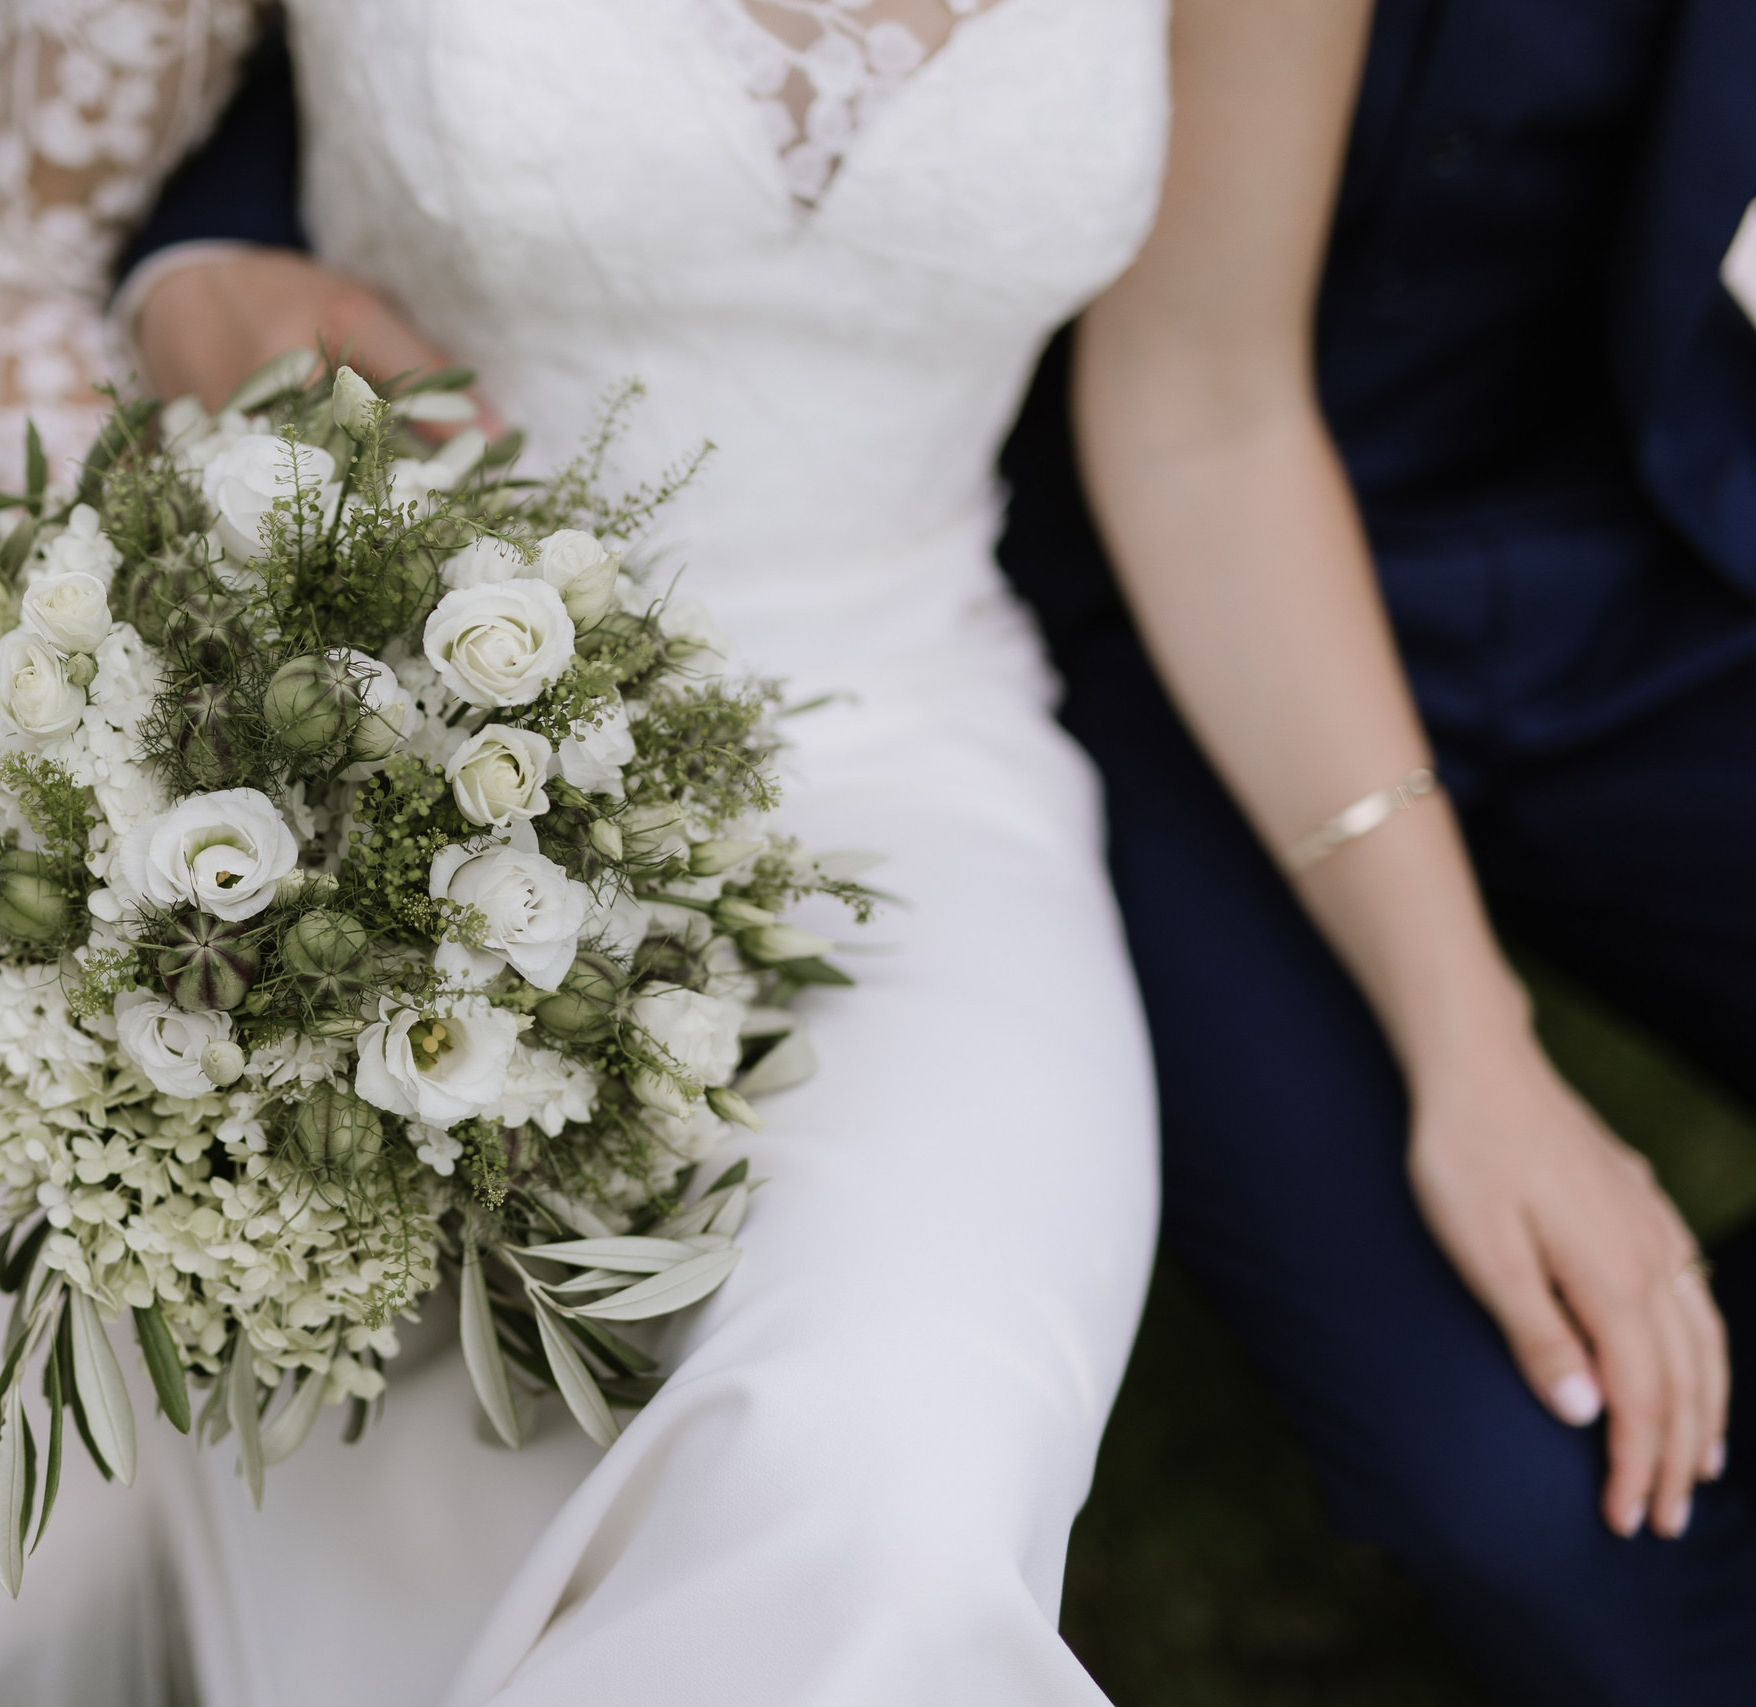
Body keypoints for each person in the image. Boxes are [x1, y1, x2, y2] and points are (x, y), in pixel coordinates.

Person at [104, 0, 1756, 1700]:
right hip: (421, 693)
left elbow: (1207, 401)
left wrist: (1470, 1047)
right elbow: (148, 128)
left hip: (952, 732)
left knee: (903, 1461)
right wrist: (194, 280)